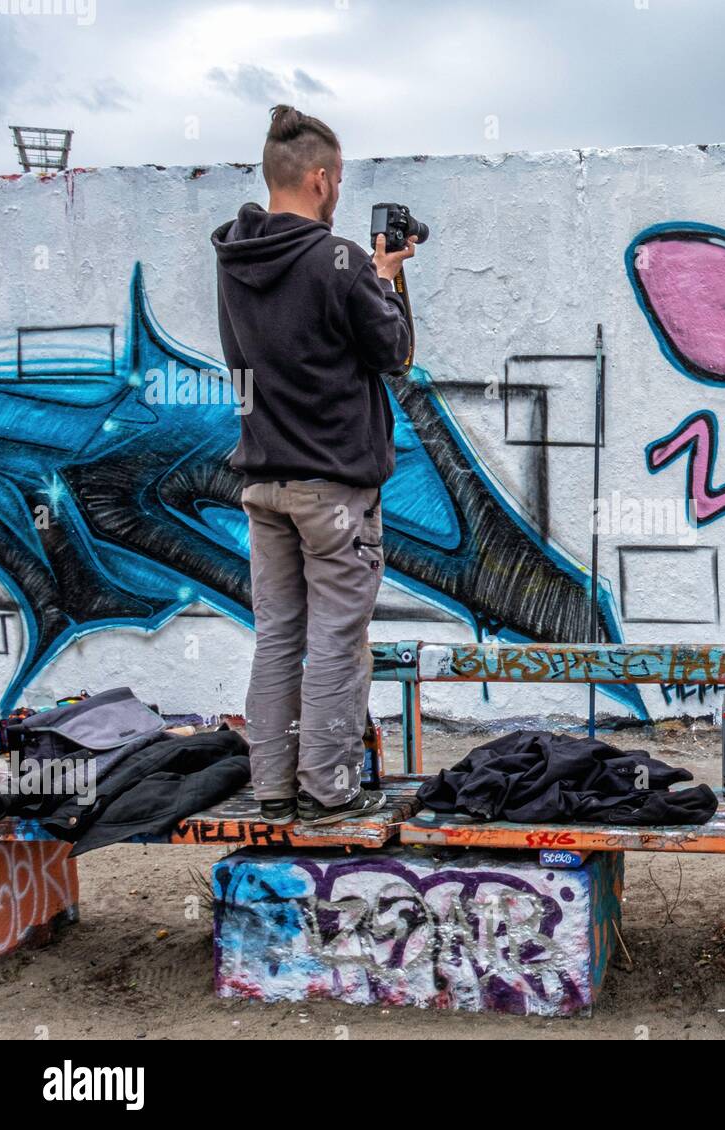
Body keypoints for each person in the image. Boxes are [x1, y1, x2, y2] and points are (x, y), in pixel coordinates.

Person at [211, 105, 417, 825]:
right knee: (335, 640)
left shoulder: (233, 259)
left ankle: (272, 785)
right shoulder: (341, 262)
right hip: (333, 488)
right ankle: (329, 792)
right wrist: (386, 276)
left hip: (262, 480)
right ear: (323, 180)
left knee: (278, 638)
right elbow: (392, 354)